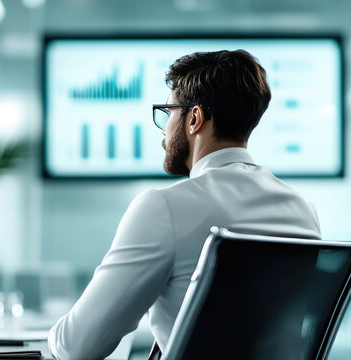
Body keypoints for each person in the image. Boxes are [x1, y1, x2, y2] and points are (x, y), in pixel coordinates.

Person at [48, 49, 321, 359]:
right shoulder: (302, 210)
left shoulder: (164, 208)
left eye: (168, 113)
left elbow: (77, 347)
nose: (164, 131)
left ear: (194, 119)